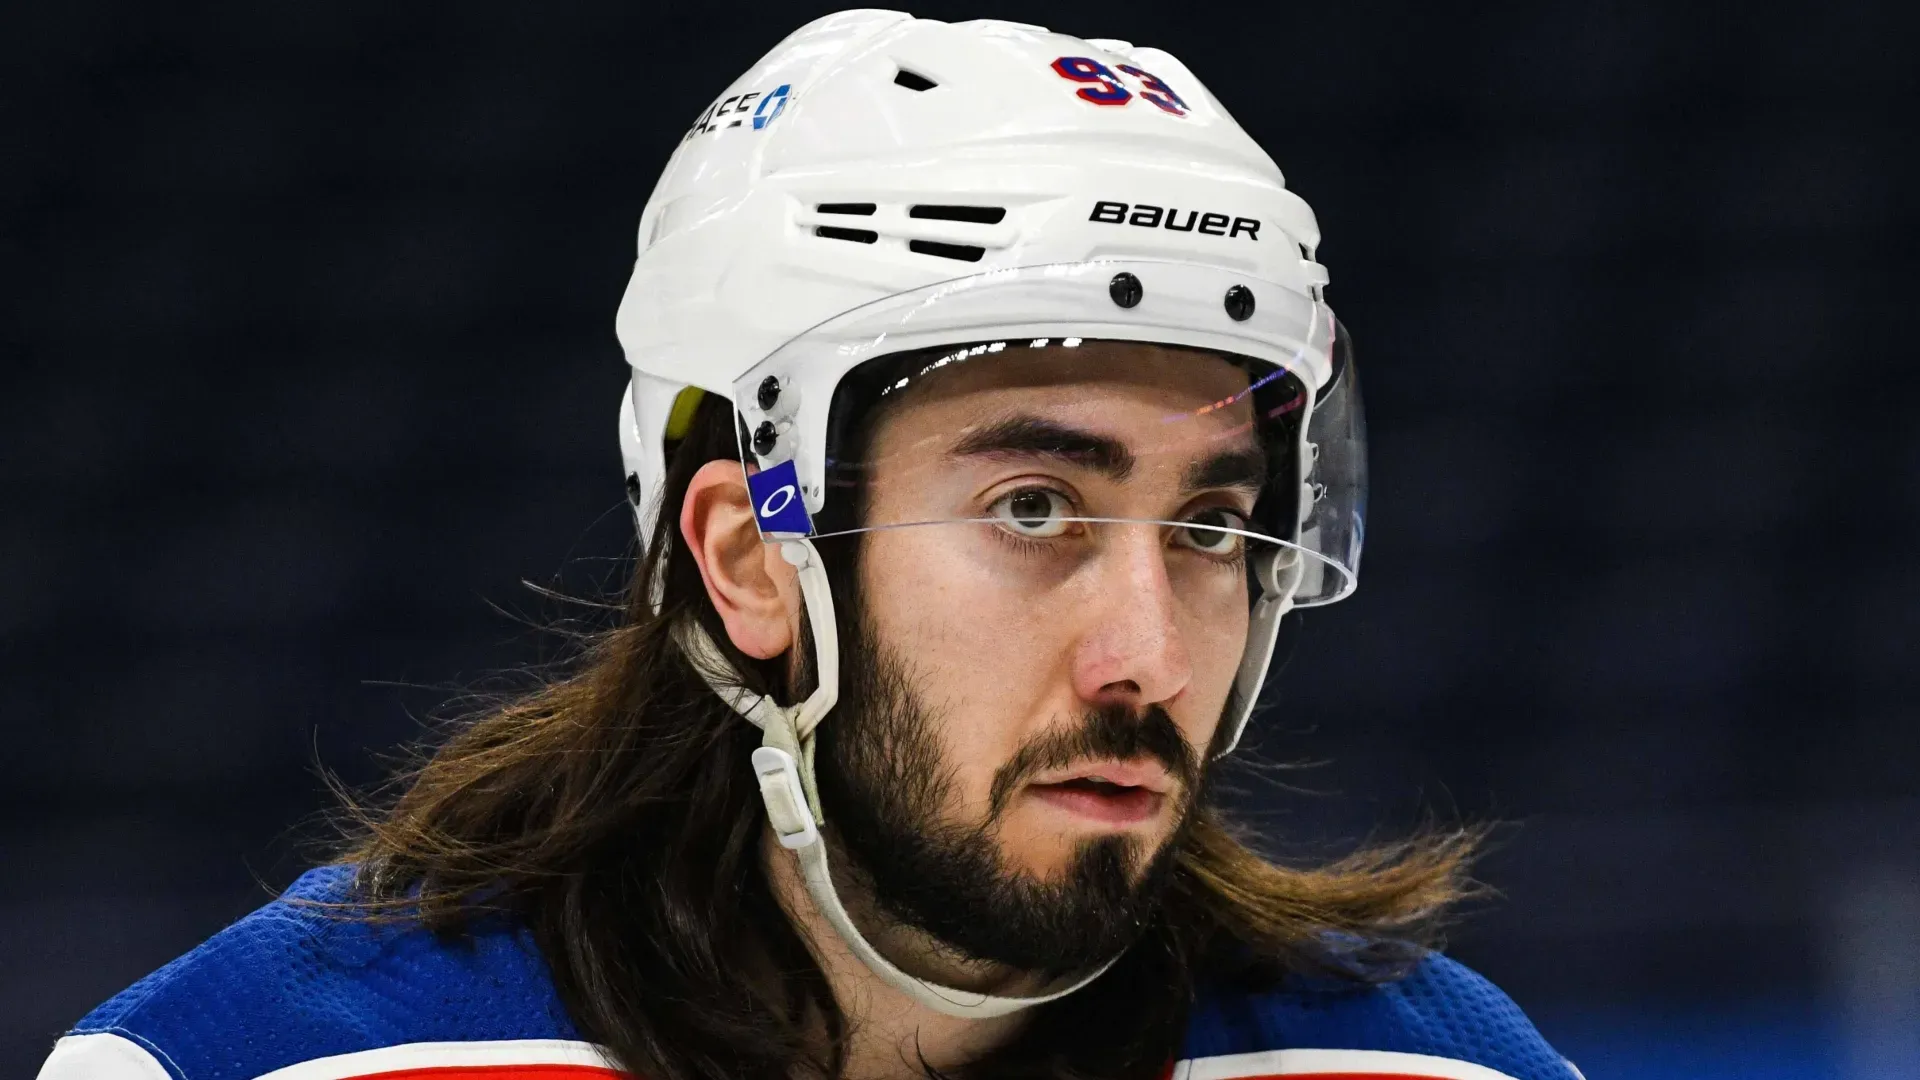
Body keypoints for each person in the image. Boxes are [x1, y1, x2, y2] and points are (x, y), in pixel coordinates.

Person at [39, 11, 1582, 1080]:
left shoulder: (1432, 1069)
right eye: (1033, 508)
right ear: (748, 556)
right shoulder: (265, 1062)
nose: (1153, 655)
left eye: (1208, 524)